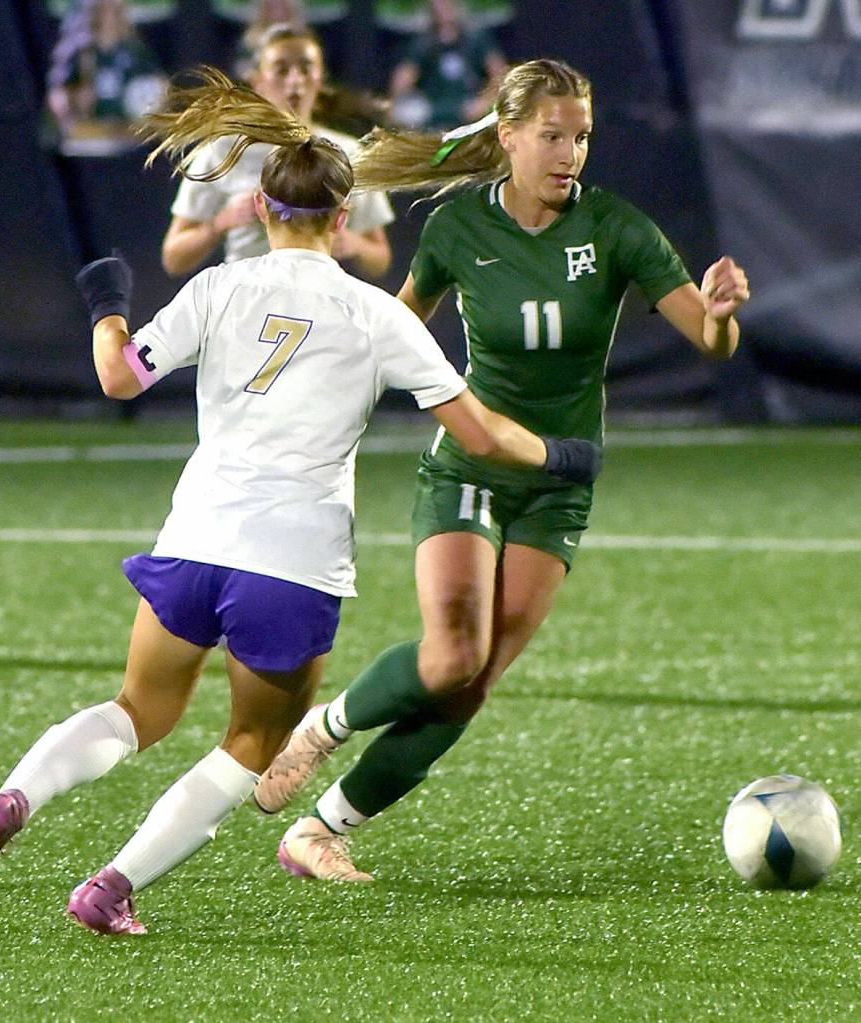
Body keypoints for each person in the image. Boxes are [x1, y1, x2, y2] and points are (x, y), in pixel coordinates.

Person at [0, 75, 601, 932]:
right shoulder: (374, 314)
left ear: (257, 204)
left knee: (136, 708)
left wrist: (107, 305)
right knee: (250, 743)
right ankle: (111, 887)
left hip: (195, 539)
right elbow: (477, 433)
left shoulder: (220, 288)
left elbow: (118, 374)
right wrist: (560, 453)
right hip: (292, 562)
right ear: (344, 215)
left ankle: (5, 804)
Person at [253, 57, 751, 881]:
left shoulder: (618, 228)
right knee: (450, 655)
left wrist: (724, 314)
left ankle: (321, 829)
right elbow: (394, 330)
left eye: (581, 137)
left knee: (471, 685)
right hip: (470, 465)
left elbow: (709, 338)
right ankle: (324, 727)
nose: (569, 153)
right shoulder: (457, 231)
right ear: (508, 135)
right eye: (552, 135)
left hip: (560, 484)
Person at [161, 24, 393, 280]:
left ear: (320, 78)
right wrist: (219, 224)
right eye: (281, 69)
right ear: (257, 79)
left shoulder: (350, 153)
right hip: (247, 294)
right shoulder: (224, 150)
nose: (295, 80)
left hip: (318, 297)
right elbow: (173, 257)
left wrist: (353, 244)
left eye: (306, 68)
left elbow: (380, 258)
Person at [46, 0, 166, 156]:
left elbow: (160, 85)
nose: (109, 17)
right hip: (90, 136)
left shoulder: (135, 51)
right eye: (103, 10)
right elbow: (58, 93)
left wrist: (151, 104)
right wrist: (72, 102)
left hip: (129, 136)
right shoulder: (80, 51)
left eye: (114, 11)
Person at [388, 0, 507, 130]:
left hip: (468, 103)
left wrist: (484, 101)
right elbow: (403, 78)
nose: (443, 9)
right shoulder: (422, 42)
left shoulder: (476, 39)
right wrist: (394, 105)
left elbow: (499, 74)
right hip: (431, 107)